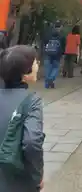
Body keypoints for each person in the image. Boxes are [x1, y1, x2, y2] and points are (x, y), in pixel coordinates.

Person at [0, 45, 44, 192]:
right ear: (24, 74)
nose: (37, 64)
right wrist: (37, 175)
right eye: (35, 62)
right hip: (17, 181)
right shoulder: (31, 101)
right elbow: (31, 142)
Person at [43, 25, 63, 89]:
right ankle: (51, 79)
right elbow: (62, 48)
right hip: (56, 56)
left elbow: (44, 45)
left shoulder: (48, 38)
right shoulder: (61, 38)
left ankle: (47, 84)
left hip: (48, 55)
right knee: (55, 68)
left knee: (47, 70)